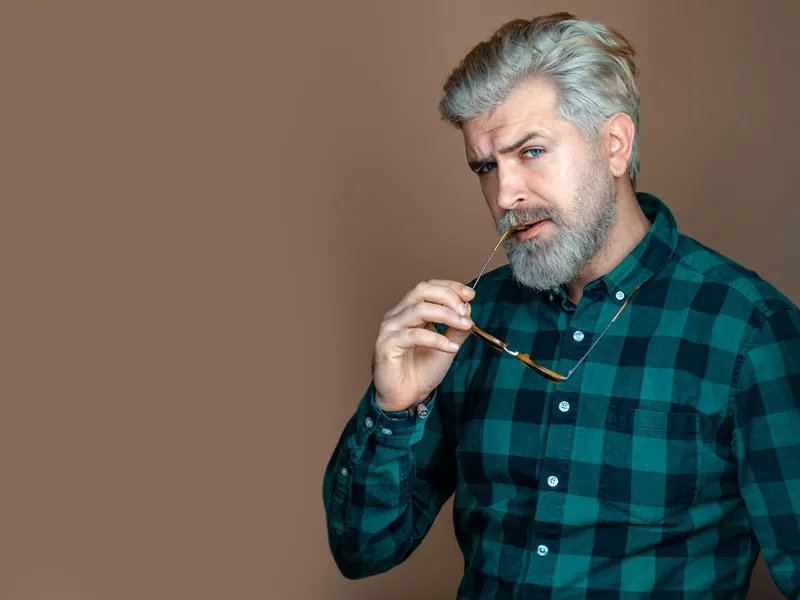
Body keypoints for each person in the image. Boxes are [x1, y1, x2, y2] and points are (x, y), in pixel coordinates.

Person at [322, 12, 800, 599]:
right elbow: (362, 550)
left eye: (531, 151)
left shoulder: (749, 331)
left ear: (614, 144)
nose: (505, 194)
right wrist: (393, 410)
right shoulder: (469, 322)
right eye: (485, 167)